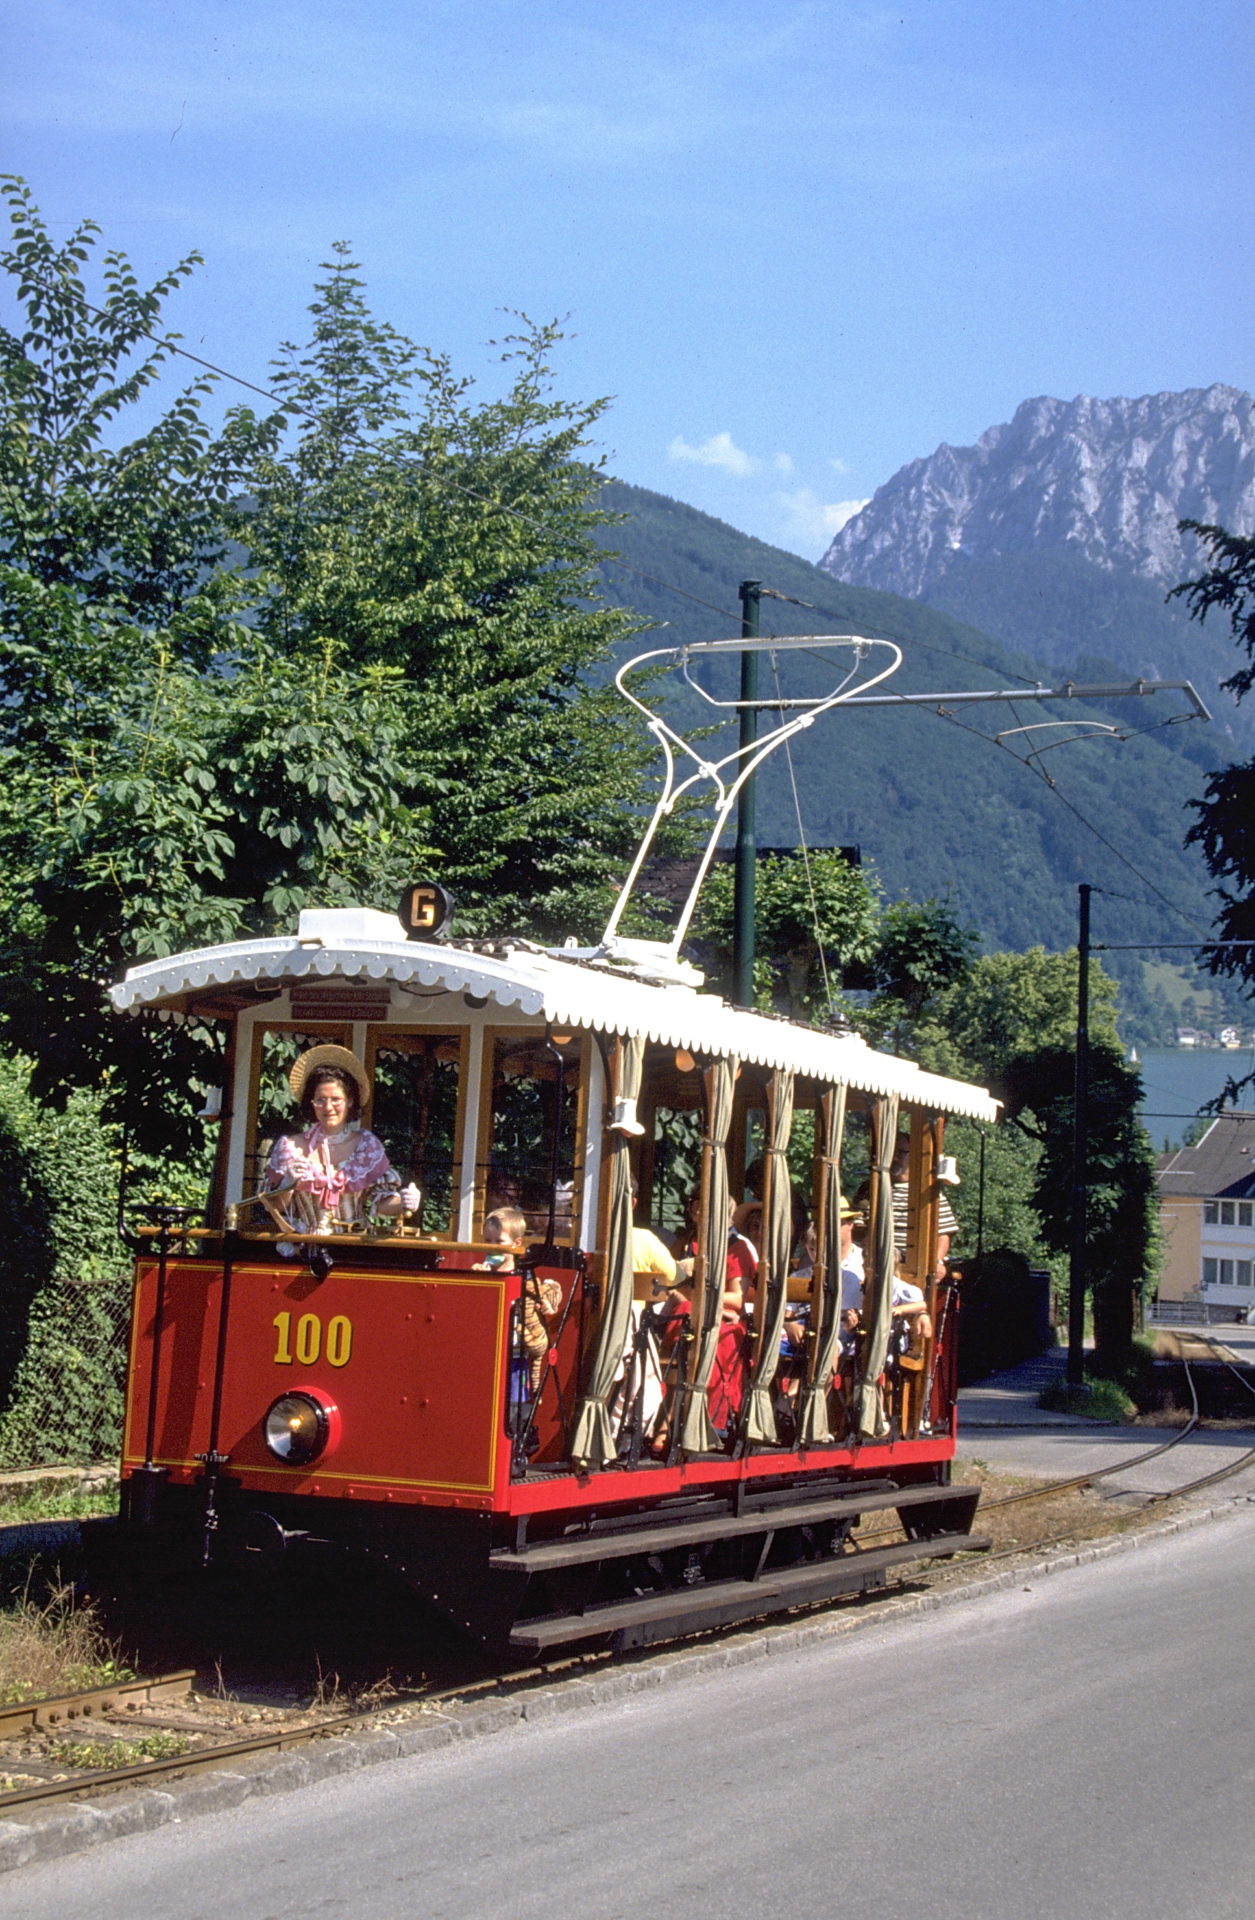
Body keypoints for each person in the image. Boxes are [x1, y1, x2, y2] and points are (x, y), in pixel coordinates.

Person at [264, 1045, 405, 1232]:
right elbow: (274, 1207)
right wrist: (288, 1183)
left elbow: (382, 1203)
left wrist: (404, 1202)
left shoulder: (366, 1147)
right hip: (304, 1246)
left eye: (336, 1099)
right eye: (320, 1100)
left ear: (350, 1101)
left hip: (354, 1247)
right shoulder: (291, 1148)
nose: (328, 1107)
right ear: (311, 1103)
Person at [477, 1205, 562, 1391]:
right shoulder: (481, 1272)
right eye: (487, 1241)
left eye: (499, 1241)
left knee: (515, 1404)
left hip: (516, 1353)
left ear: (516, 1243)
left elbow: (544, 1292)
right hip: (487, 1351)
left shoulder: (525, 1275)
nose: (492, 1247)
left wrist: (547, 1305)